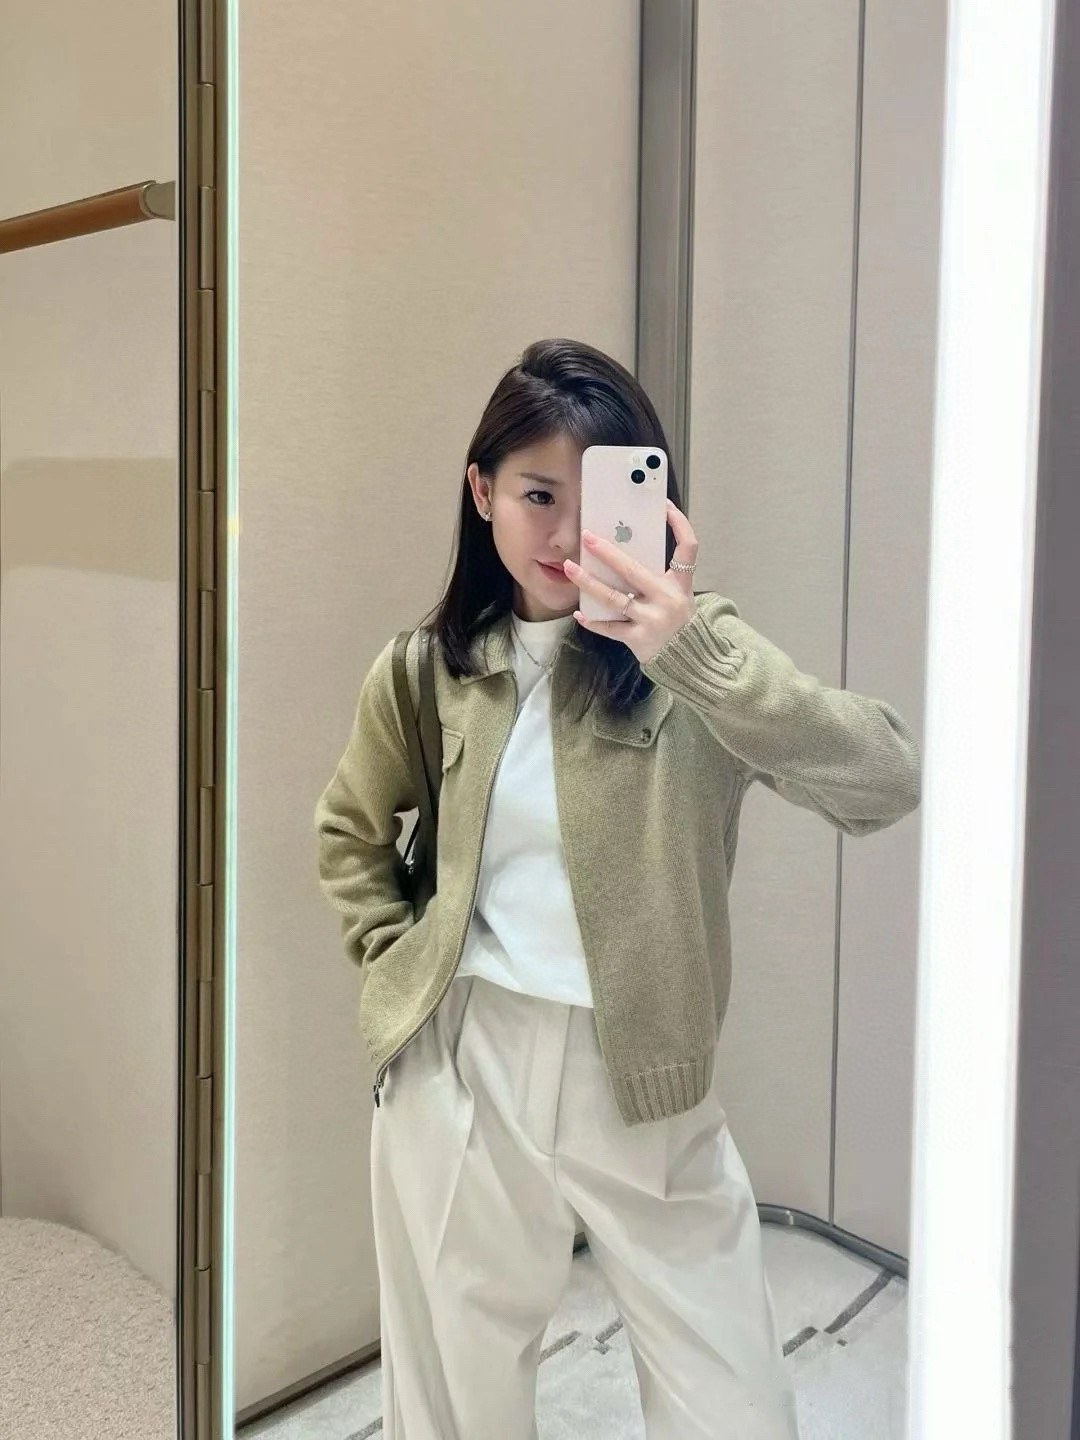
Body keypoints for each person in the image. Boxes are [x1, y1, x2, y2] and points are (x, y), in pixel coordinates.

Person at [315, 337, 921, 1440]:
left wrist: (694, 658)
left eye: (599, 499)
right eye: (537, 494)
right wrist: (399, 978)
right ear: (482, 492)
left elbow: (883, 780)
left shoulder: (698, 657)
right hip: (465, 1059)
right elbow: (349, 833)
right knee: (454, 1395)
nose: (565, 536)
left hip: (645, 1074)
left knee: (730, 1397)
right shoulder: (428, 668)